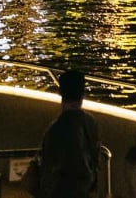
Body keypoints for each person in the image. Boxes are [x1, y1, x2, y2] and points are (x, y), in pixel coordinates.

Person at [33, 69, 100, 198]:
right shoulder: (91, 122)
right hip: (85, 190)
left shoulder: (56, 128)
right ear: (83, 94)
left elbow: (50, 167)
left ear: (60, 92)